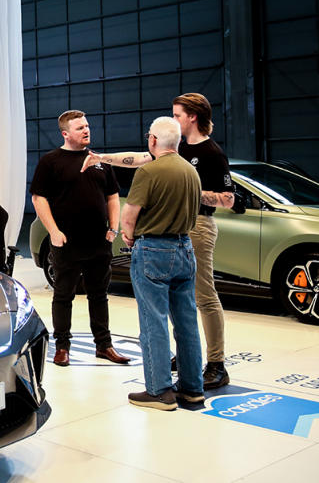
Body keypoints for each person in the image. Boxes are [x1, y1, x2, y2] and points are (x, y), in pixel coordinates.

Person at [82, 93, 236, 389]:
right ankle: (188, 357)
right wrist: (101, 158)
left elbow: (228, 198)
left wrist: (185, 191)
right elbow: (140, 158)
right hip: (171, 231)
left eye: (177, 114)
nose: (173, 119)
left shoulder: (211, 153)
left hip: (198, 226)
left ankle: (216, 362)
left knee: (203, 296)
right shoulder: (175, 150)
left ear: (192, 116)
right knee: (180, 300)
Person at [30, 110, 129, 367]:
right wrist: (53, 231)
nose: (86, 131)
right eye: (79, 128)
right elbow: (38, 198)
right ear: (65, 133)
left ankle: (104, 345)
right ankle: (62, 347)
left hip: (98, 240)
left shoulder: (100, 160)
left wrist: (113, 228)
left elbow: (111, 196)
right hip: (66, 241)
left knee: (99, 295)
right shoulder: (50, 161)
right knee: (63, 295)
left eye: (87, 126)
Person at [121, 116, 204, 410]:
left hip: (154, 250)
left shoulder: (149, 172)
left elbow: (129, 215)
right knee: (186, 322)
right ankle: (193, 388)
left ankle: (159, 391)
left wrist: (127, 236)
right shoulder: (191, 171)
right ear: (178, 141)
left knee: (153, 321)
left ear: (153, 140)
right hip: (185, 247)